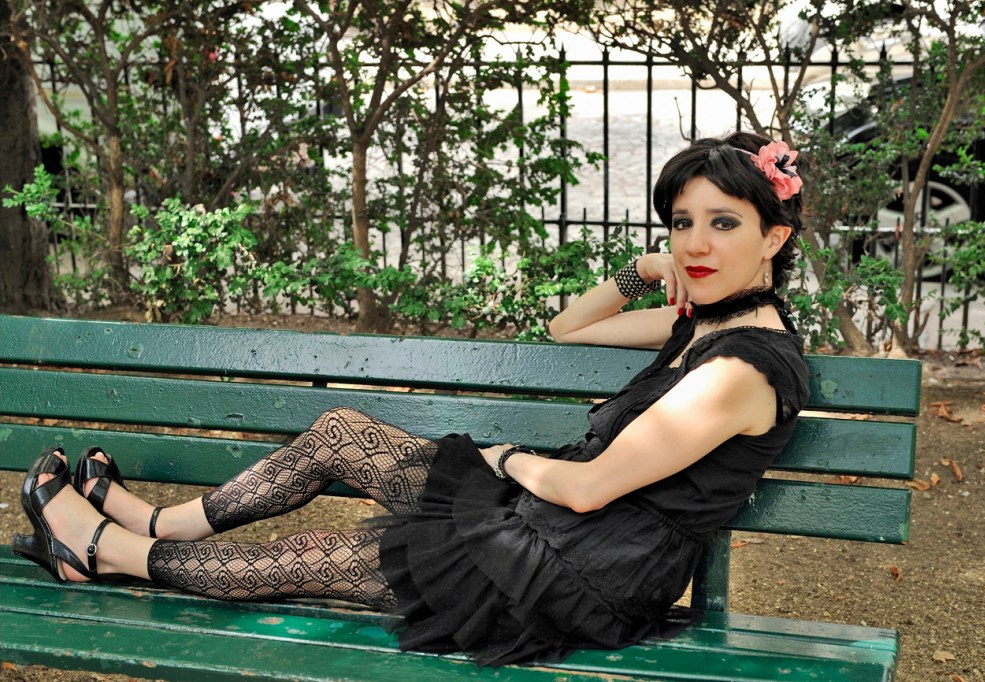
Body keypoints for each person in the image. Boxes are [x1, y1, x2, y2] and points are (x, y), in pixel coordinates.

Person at [15, 131, 810, 666]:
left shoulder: (741, 369)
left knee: (319, 558)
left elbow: (590, 486)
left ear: (773, 237)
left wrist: (503, 456)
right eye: (681, 223)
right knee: (339, 432)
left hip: (579, 571)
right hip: (549, 523)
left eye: (723, 224)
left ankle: (103, 552)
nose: (695, 244)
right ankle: (156, 522)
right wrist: (646, 269)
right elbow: (568, 328)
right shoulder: (706, 322)